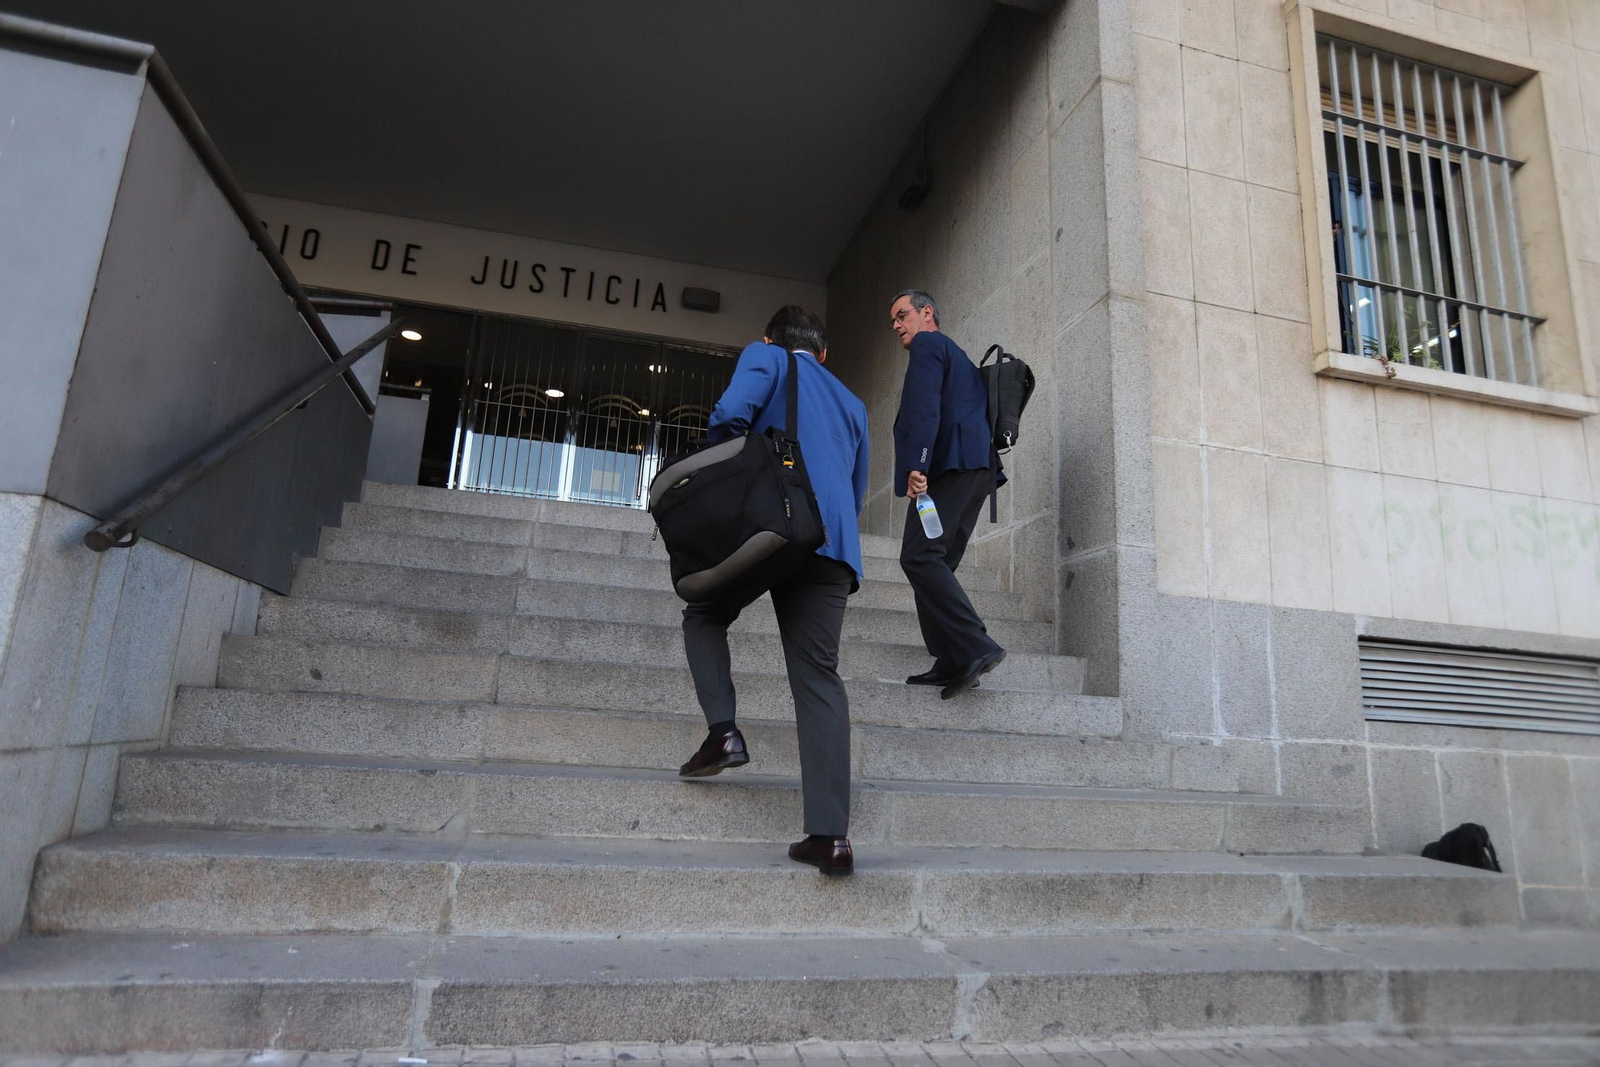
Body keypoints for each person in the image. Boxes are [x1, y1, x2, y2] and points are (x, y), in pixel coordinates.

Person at [676, 305, 870, 876]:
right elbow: (855, 493)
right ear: (824, 354)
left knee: (704, 610)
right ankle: (830, 837)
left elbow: (730, 417)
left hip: (774, 525)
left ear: (770, 340)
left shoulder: (766, 357)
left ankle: (724, 732)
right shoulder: (854, 403)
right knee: (819, 679)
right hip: (831, 542)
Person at [889, 288, 1006, 699]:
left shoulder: (927, 344)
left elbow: (924, 409)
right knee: (936, 561)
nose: (898, 326)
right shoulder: (954, 354)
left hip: (950, 467)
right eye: (894, 322)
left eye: (903, 315)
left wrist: (916, 465)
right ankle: (953, 660)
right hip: (977, 470)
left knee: (919, 555)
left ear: (927, 313)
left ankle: (975, 645)